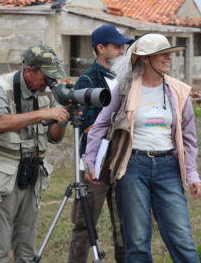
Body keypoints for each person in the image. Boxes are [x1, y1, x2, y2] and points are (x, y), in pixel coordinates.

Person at [85, 33, 201, 262]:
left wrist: (192, 174)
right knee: (137, 241)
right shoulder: (125, 88)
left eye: (169, 53)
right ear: (145, 59)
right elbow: (100, 126)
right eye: (162, 54)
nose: (168, 58)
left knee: (181, 237)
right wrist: (90, 161)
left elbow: (188, 137)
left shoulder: (179, 91)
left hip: (168, 167)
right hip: (133, 167)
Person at [0, 45, 70, 263]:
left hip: (32, 174)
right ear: (29, 70)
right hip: (2, 176)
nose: (50, 82)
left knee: (26, 250)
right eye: (47, 77)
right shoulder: (1, 87)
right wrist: (44, 113)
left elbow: (54, 137)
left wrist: (64, 116)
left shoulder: (48, 91)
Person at [68, 25, 133, 263]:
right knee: (85, 225)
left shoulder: (128, 78)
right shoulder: (87, 80)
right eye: (116, 46)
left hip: (123, 161)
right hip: (96, 161)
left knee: (124, 225)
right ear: (100, 48)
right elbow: (85, 126)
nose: (121, 51)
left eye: (123, 46)